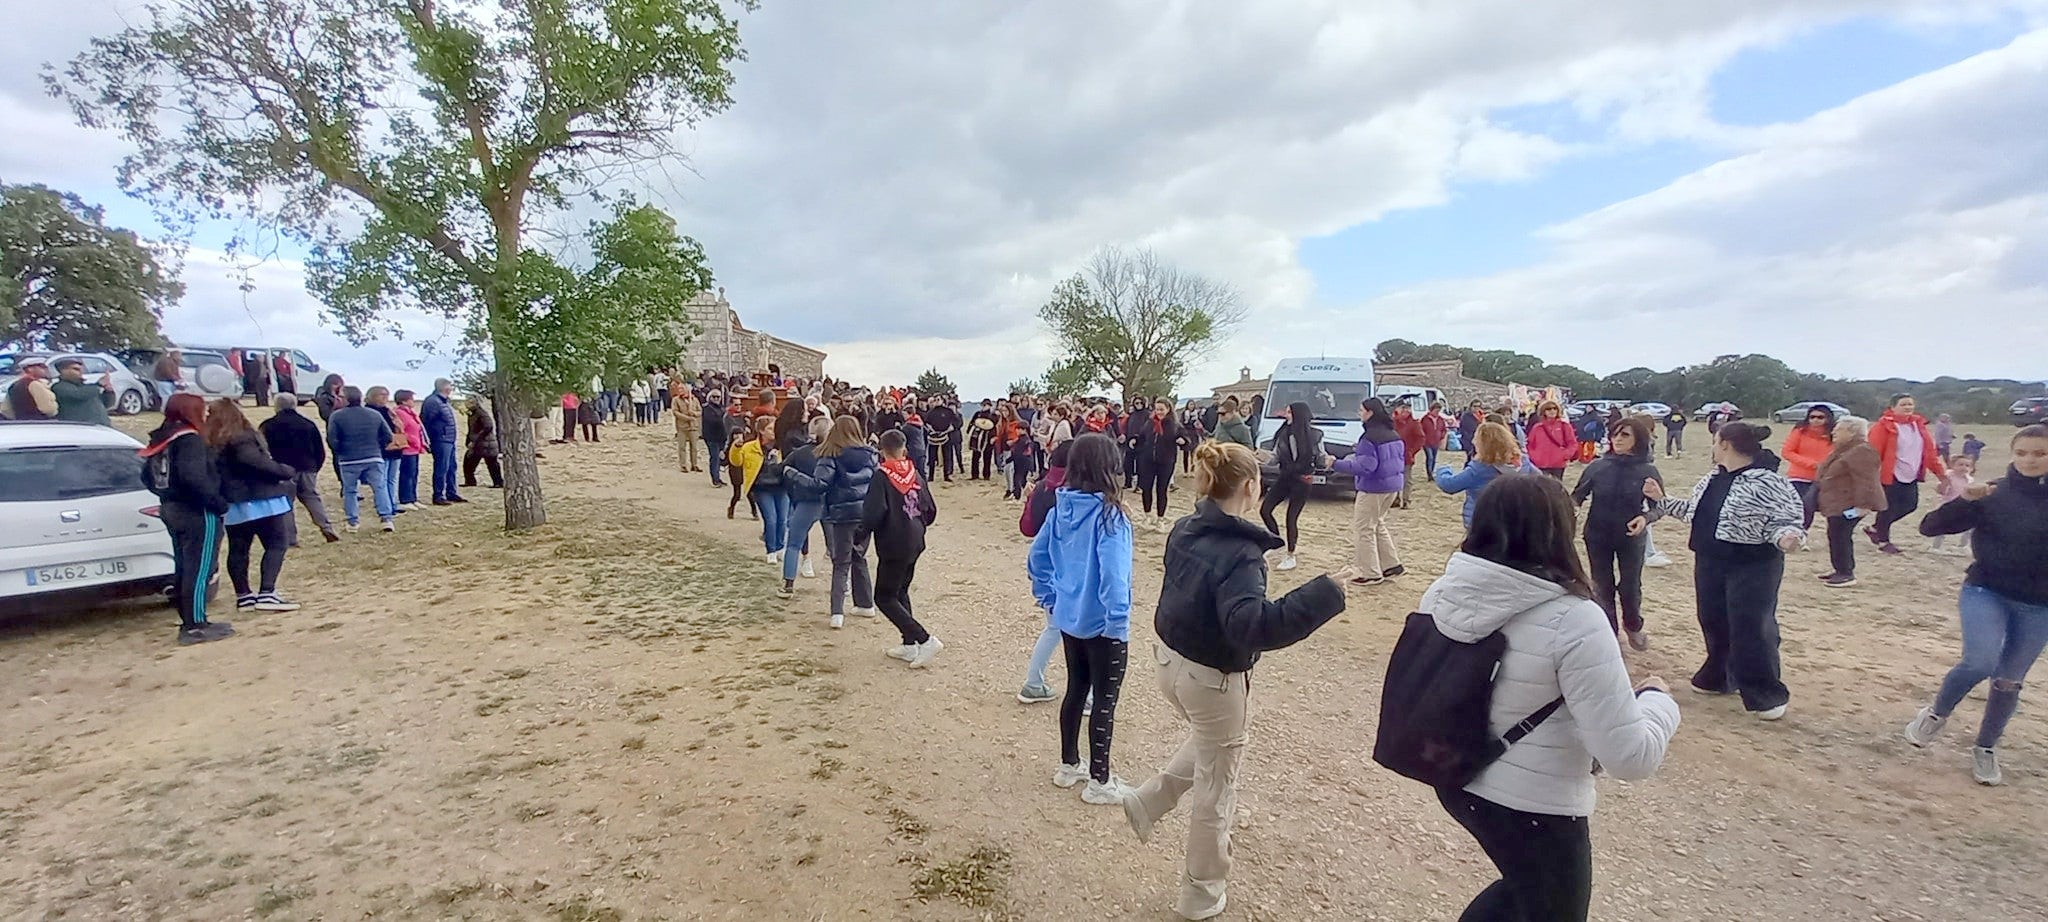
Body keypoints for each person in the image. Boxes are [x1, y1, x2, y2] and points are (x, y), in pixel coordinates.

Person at [1426, 473, 1681, 922]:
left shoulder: (1442, 592)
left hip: (1457, 776)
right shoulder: (1575, 619)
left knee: (1523, 888)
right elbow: (1630, 757)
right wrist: (1660, 702)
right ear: (1559, 530)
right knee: (1547, 902)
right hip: (1536, 806)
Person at [1120, 440, 1347, 921]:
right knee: (1217, 788)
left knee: (1211, 744)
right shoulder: (1243, 554)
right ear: (1250, 486)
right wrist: (1325, 593)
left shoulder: (1184, 528)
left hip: (1171, 664)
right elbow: (1254, 626)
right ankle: (1201, 892)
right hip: (1212, 679)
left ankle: (1149, 801)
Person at [1901, 426, 2048, 786]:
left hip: (2039, 605)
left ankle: (1985, 747)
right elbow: (1929, 527)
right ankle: (1936, 713)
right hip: (1987, 590)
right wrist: (1966, 499)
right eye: (2023, 453)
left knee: (2009, 681)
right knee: (1979, 661)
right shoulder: (1992, 492)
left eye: (2039, 453)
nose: (2029, 460)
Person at [1646, 422, 1805, 719]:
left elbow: (1789, 519)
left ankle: (1766, 693)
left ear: (1726, 445)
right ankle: (1720, 676)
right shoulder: (1713, 479)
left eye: (1715, 441)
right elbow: (1695, 512)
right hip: (1710, 559)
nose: (1713, 446)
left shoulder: (1770, 483)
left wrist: (1787, 537)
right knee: (1713, 619)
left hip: (1752, 564)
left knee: (1752, 626)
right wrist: (1661, 501)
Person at [1029, 433, 1136, 806]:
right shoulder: (1111, 516)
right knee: (1105, 700)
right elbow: (1114, 575)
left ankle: (1068, 765)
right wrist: (1118, 621)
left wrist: (1051, 598)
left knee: (1076, 689)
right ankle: (1100, 782)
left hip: (1070, 618)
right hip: (1104, 625)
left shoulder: (1059, 509)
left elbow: (1037, 558)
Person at [138, 393, 236, 645]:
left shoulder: (163, 439)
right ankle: (195, 625)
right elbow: (194, 478)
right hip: (197, 511)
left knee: (184, 566)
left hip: (171, 508)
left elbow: (146, 477)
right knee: (200, 567)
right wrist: (218, 503)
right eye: (202, 409)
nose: (205, 414)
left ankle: (190, 619)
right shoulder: (190, 440)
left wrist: (166, 494)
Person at [1571, 415, 1663, 650]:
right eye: (1615, 434)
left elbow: (1659, 507)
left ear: (1638, 439)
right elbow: (1577, 497)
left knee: (1630, 586)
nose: (1617, 439)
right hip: (1597, 534)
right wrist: (1571, 508)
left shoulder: (1648, 470)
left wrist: (1645, 518)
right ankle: (1609, 633)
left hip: (1631, 536)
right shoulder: (1597, 467)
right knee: (1602, 585)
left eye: (1625, 435)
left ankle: (1633, 624)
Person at [204, 398, 301, 613]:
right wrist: (284, 471)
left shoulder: (209, 442)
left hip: (233, 502)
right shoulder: (241, 438)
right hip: (262, 498)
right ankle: (267, 592)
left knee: (239, 549)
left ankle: (244, 595)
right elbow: (255, 462)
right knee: (277, 543)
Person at [856, 429, 942, 667]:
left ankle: (925, 640)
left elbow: (873, 513)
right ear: (904, 448)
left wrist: (858, 536)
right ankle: (908, 643)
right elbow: (931, 510)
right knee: (900, 590)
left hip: (893, 541)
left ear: (882, 452)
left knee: (883, 596)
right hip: (915, 539)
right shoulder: (915, 474)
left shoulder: (881, 476)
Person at [1018, 440, 1074, 704]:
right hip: (1070, 570)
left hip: (1048, 569)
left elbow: (1027, 529)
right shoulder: (1075, 492)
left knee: (1054, 628)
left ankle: (1034, 682)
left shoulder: (1042, 487)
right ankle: (1086, 696)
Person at [1332, 398, 1406, 587]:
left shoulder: (1369, 438)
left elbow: (1366, 467)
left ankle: (1370, 572)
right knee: (1377, 523)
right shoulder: (1394, 434)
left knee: (1364, 528)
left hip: (1373, 488)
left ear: (1370, 412)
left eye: (1361, 410)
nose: (1359, 413)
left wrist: (1335, 463)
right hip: (1393, 486)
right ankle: (1391, 564)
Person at [814, 415, 879, 623]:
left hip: (842, 514)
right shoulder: (871, 455)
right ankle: (866, 604)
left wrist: (792, 476)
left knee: (841, 562)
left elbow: (820, 483)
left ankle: (837, 612)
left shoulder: (830, 455)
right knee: (859, 556)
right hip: (866, 512)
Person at [1867, 394, 1947, 556]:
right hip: (1890, 474)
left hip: (1911, 473)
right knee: (1887, 508)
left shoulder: (1918, 425)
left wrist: (1941, 474)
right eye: (1903, 404)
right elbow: (1872, 452)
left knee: (1910, 505)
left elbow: (1929, 453)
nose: (1908, 407)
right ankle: (1884, 540)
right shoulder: (1883, 426)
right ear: (1893, 407)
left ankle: (1876, 528)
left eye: (1910, 404)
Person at [1813, 415, 1885, 588]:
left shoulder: (1862, 451)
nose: (1833, 432)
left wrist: (1862, 505)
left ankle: (1846, 573)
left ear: (1852, 432)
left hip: (1851, 504)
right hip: (1838, 502)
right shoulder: (1845, 449)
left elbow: (1866, 481)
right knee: (1836, 533)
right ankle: (1840, 570)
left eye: (1839, 430)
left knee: (1840, 534)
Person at [258, 394, 340, 545]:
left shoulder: (267, 425)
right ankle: (326, 527)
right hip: (308, 468)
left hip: (281, 470)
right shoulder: (308, 424)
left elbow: (262, 451)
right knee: (312, 498)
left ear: (276, 406)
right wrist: (315, 467)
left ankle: (290, 538)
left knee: (286, 503)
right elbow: (319, 450)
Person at [1258, 401, 1322, 571]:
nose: (1285, 415)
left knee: (1291, 518)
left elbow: (1320, 457)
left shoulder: (1315, 435)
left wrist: (1326, 464)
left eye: (1289, 412)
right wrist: (1260, 457)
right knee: (1265, 510)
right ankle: (1276, 542)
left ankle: (1290, 555)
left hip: (1302, 480)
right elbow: (1275, 457)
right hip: (1285, 477)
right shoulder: (1283, 433)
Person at [1435, 421, 1531, 529]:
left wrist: (1443, 470)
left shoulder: (1479, 469)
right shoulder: (1523, 462)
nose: (1473, 441)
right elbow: (1539, 479)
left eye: (1476, 439)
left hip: (1483, 522)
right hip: (1516, 519)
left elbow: (1449, 485)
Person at [779, 416, 832, 603]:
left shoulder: (800, 453)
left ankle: (788, 584)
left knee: (793, 543)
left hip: (806, 501)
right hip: (830, 503)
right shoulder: (836, 453)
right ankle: (845, 584)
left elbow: (781, 470)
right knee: (837, 548)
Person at [330, 387, 397, 533]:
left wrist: (340, 451)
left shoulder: (337, 416)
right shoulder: (374, 415)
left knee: (350, 490)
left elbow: (332, 439)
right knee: (380, 487)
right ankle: (386, 518)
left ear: (346, 399)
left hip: (348, 459)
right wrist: (378, 447)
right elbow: (388, 436)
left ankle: (352, 521)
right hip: (373, 456)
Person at [1126, 398, 1184, 529]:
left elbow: (1185, 438)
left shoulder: (1174, 425)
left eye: (1161, 409)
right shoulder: (1150, 423)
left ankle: (1160, 518)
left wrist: (1182, 440)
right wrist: (1134, 440)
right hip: (1147, 461)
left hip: (1166, 461)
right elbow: (1142, 436)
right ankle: (1147, 516)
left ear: (1168, 409)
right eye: (1157, 409)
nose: (1159, 412)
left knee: (1161, 490)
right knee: (1146, 488)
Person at [1780, 404, 1835, 531]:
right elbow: (1787, 452)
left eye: (1820, 417)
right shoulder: (1800, 432)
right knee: (1803, 507)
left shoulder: (1834, 435)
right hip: (1799, 477)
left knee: (1817, 507)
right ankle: (1799, 534)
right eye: (1812, 417)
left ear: (1828, 419)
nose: (1815, 420)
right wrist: (1813, 464)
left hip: (1823, 478)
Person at [421, 378, 464, 505]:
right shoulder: (433, 401)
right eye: (450, 386)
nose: (451, 389)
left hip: (449, 439)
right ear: (444, 387)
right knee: (441, 468)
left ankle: (451, 492)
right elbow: (426, 421)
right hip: (440, 439)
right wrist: (431, 438)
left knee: (451, 467)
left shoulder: (444, 402)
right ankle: (438, 495)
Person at [1930, 454, 1977, 556]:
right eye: (1960, 464)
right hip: (1948, 505)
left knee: (1969, 527)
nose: (1964, 468)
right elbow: (1940, 490)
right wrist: (1943, 486)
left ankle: (1963, 546)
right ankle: (1936, 547)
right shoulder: (1948, 476)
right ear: (1952, 465)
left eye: (1967, 465)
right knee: (1942, 527)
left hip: (1964, 506)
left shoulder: (1969, 480)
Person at [48, 358, 115, 425]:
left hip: (100, 426)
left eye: (81, 369)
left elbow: (107, 404)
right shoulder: (59, 387)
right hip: (80, 427)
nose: (81, 372)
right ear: (63, 371)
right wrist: (99, 384)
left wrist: (108, 391)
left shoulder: (87, 387)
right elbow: (78, 395)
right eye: (76, 369)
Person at [391, 390, 428, 510]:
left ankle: (413, 497)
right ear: (404, 401)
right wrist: (412, 440)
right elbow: (401, 430)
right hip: (407, 448)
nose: (413, 401)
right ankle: (405, 499)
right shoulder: (399, 413)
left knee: (414, 473)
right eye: (411, 399)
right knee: (406, 474)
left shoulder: (410, 413)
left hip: (415, 448)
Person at [1525, 400, 1578, 480]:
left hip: (1558, 464)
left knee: (1556, 487)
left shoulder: (1565, 426)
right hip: (1540, 463)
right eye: (1549, 409)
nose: (1552, 411)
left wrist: (1565, 455)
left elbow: (1572, 443)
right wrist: (1534, 456)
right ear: (1543, 411)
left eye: (1554, 408)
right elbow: (1529, 444)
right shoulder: (1537, 428)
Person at [462, 397, 504, 489]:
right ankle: (470, 481)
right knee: (469, 463)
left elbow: (488, 426)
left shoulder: (481, 414)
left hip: (486, 444)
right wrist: (468, 440)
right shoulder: (472, 414)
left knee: (491, 464)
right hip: (479, 444)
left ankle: (498, 482)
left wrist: (476, 438)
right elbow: (471, 429)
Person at [1392, 403, 1427, 509]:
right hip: (1394, 455)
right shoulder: (1393, 423)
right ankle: (1395, 498)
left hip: (1407, 455)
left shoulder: (1413, 423)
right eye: (1403, 409)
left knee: (1406, 479)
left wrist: (1412, 451)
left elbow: (1421, 438)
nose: (1404, 411)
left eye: (1407, 409)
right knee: (1394, 478)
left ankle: (1406, 500)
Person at [2, 355, 57, 420]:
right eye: (41, 367)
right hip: (40, 422)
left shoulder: (15, 384)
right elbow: (47, 409)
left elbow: (6, 409)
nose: (45, 369)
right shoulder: (35, 384)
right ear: (30, 369)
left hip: (21, 422)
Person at [701, 392, 729, 487]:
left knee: (719, 458)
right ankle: (715, 479)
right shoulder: (707, 408)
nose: (716, 398)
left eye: (718, 397)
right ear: (710, 397)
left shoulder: (721, 408)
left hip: (721, 437)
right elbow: (712, 421)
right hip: (711, 437)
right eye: (714, 397)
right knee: (715, 458)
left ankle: (718, 477)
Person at [673, 386, 703, 473]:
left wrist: (694, 414)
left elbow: (700, 411)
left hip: (693, 427)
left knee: (694, 447)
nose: (680, 391)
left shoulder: (694, 399)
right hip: (682, 426)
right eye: (679, 389)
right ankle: (683, 465)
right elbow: (675, 412)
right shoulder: (676, 400)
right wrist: (687, 418)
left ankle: (694, 464)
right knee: (682, 447)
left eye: (682, 389)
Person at [970, 399, 999, 481]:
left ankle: (986, 475)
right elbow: (972, 423)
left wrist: (994, 437)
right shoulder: (978, 414)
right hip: (977, 438)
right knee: (975, 457)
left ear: (990, 406)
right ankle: (974, 475)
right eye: (983, 405)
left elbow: (995, 427)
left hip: (988, 438)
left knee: (987, 457)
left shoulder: (993, 415)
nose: (984, 407)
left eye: (986, 405)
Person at [1419, 402, 1449, 474]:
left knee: (1434, 458)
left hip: (1436, 442)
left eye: (1439, 411)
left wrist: (1442, 436)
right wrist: (1423, 439)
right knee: (1430, 457)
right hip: (1427, 442)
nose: (1437, 413)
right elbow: (1421, 429)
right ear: (1431, 410)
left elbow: (1444, 429)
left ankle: (1431, 472)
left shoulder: (1440, 419)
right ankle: (1429, 473)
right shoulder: (1425, 419)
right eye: (1436, 411)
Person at [1457, 400, 1485, 464]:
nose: (1476, 408)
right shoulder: (1466, 416)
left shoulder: (1481, 416)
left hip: (1478, 439)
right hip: (1468, 439)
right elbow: (1464, 428)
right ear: (1471, 406)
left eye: (1478, 406)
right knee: (1469, 457)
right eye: (1475, 406)